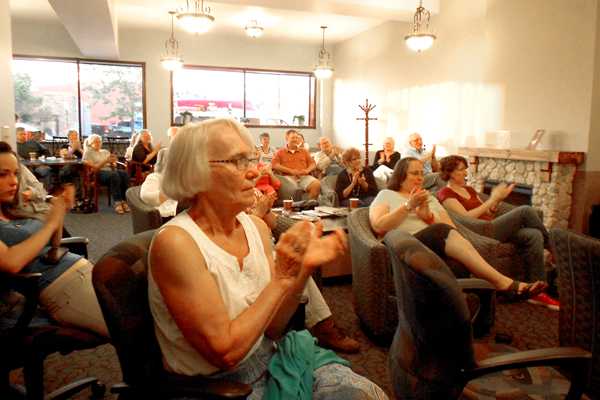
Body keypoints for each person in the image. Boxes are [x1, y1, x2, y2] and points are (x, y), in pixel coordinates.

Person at [149, 118, 387, 399]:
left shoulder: (256, 227)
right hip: (219, 385)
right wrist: (283, 277)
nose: (255, 171)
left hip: (273, 356)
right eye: (239, 161)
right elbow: (226, 353)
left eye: (251, 159)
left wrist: (303, 270)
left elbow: (273, 328)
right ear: (197, 171)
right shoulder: (176, 243)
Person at [369, 157, 548, 303]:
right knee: (439, 232)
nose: (420, 178)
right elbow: (379, 226)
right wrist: (409, 205)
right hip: (404, 244)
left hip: (432, 244)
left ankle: (495, 290)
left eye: (421, 174)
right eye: (414, 174)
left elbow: (450, 229)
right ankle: (504, 284)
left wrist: (428, 217)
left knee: (455, 256)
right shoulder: (387, 195)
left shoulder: (430, 200)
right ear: (400, 176)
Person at [0, 141, 109, 339]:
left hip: (85, 272)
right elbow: (10, 262)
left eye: (16, 174)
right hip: (62, 290)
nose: (14, 181)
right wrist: (50, 222)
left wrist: (59, 212)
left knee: (153, 306)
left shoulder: (13, 211)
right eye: (3, 175)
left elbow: (54, 245)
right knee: (135, 330)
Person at [437, 155, 558, 310]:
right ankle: (554, 251)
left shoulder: (469, 189)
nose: (466, 172)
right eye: (461, 169)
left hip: (491, 226)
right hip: (478, 232)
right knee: (525, 210)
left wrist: (497, 200)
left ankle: (537, 292)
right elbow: (465, 217)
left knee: (533, 235)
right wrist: (492, 199)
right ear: (450, 172)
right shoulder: (445, 192)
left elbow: (489, 213)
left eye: (466, 168)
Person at [82, 134, 131, 215]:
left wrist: (112, 162)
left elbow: (113, 165)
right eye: (96, 142)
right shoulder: (88, 153)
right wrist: (106, 161)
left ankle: (124, 199)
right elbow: (93, 168)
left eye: (100, 142)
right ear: (90, 143)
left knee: (124, 173)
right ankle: (117, 201)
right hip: (97, 173)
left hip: (109, 170)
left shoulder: (105, 152)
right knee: (113, 175)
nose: (99, 144)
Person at [272, 129, 321, 200]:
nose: (295, 139)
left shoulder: (303, 151)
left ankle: (309, 206)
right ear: (287, 138)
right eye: (293, 137)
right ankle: (294, 207)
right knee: (289, 186)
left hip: (304, 177)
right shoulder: (280, 152)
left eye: (297, 138)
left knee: (317, 184)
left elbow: (313, 164)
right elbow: (274, 165)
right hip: (289, 177)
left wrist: (307, 170)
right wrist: (290, 170)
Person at [140, 148, 178, 223]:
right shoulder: (154, 177)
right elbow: (146, 196)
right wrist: (170, 191)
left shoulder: (181, 177)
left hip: (182, 211)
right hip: (167, 215)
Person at [58, 129, 84, 199]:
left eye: (76, 135)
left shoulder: (81, 146)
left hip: (80, 166)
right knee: (66, 171)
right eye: (72, 135)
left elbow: (86, 155)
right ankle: (69, 193)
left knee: (83, 171)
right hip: (68, 166)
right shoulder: (65, 145)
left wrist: (79, 149)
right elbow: (64, 155)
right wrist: (72, 149)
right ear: (68, 138)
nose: (74, 137)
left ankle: (80, 194)